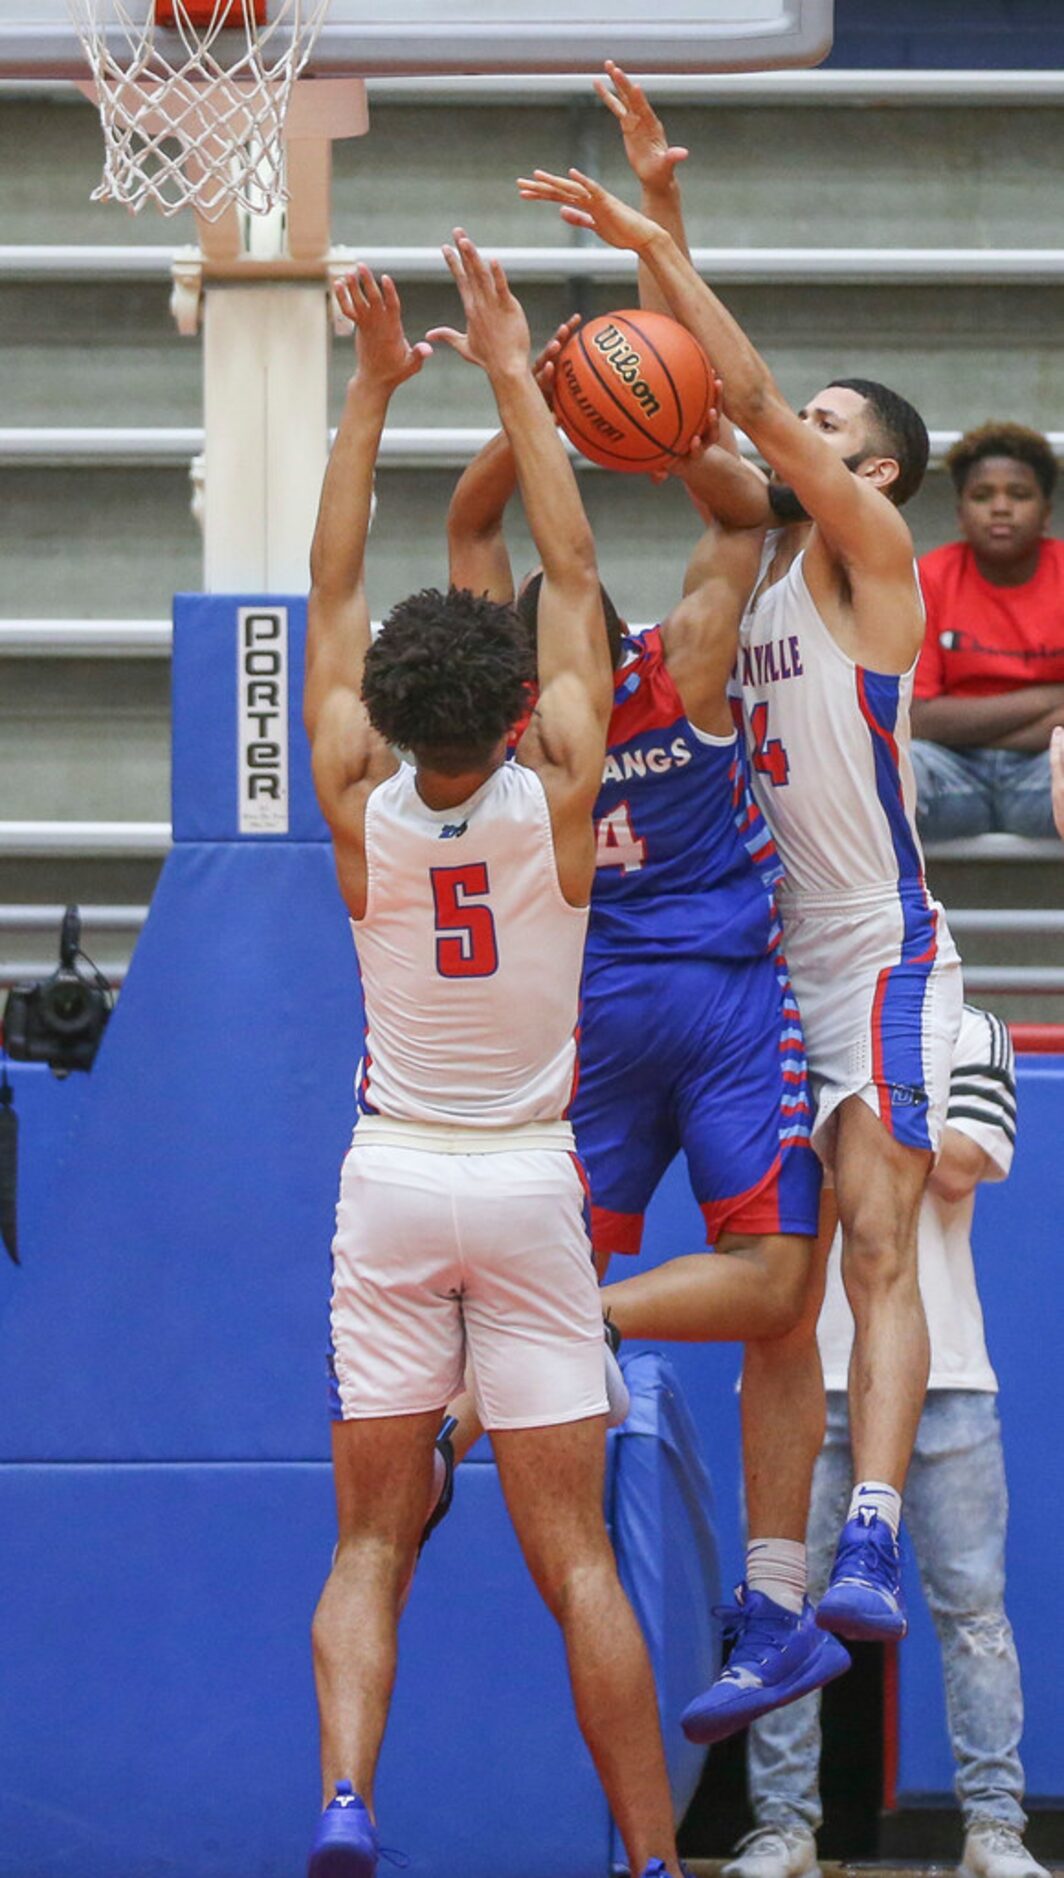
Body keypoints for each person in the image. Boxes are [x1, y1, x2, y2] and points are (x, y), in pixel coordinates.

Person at [519, 64, 962, 1721]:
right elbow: (700, 393)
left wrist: (648, 227)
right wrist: (659, 218)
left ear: (878, 470)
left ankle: (867, 1536)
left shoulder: (864, 560)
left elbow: (747, 396)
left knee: (865, 1236)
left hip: (873, 954)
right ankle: (771, 1606)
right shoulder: (742, 560)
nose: (796, 427)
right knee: (771, 1283)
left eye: (837, 424)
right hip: (755, 963)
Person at [302, 241, 687, 1878]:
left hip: (391, 1176)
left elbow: (323, 594)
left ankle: (342, 1799)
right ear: (520, 705)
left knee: (372, 1542)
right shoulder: (560, 797)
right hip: (531, 1180)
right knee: (576, 1560)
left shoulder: (349, 798)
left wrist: (372, 395)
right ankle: (656, 1859)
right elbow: (575, 561)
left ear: (391, 718)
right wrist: (517, 375)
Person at [439, 342, 841, 1741]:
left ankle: (527, 1362)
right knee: (780, 1282)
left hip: (613, 1019)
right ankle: (567, 1343)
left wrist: (540, 406)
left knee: (723, 1284)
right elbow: (744, 515)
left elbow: (473, 525)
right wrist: (655, 426)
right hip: (706, 1006)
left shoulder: (524, 723)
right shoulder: (676, 662)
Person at [732, 1005, 1050, 1878]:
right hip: (799, 1375)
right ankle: (783, 1827)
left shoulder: (972, 1031)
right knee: (780, 1608)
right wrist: (869, 1126)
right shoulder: (783, 1025)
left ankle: (994, 1829)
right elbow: (759, 1167)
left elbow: (955, 1167)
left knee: (974, 1613)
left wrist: (846, 1112)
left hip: (943, 1376)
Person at [911, 422, 1064, 841]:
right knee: (885, 764)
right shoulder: (929, 578)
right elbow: (917, 718)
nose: (1000, 508)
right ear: (961, 515)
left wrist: (966, 720)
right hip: (948, 773)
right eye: (982, 496)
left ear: (1046, 512)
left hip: (1044, 776)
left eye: (1018, 495)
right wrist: (1050, 698)